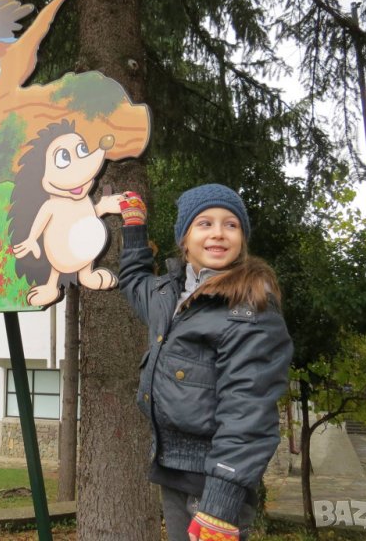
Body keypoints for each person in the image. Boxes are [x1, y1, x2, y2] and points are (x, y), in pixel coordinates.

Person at [117, 184, 293, 541]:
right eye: (204, 223)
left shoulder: (250, 308)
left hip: (215, 487)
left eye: (231, 224)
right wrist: (134, 228)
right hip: (174, 473)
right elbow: (134, 281)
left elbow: (248, 413)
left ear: (242, 239)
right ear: (184, 239)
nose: (218, 233)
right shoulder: (169, 296)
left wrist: (220, 506)